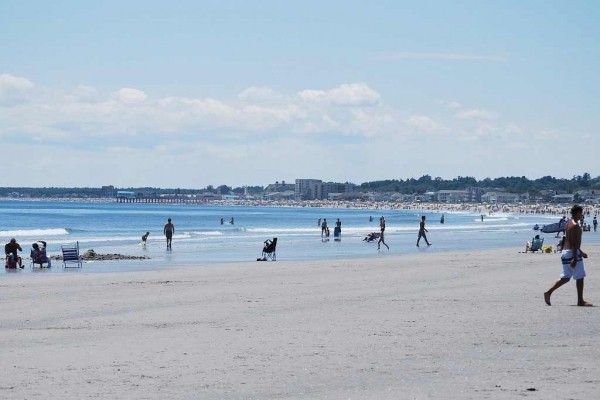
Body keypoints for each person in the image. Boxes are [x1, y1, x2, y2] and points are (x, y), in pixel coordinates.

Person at [544, 205, 592, 306]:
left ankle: (548, 292)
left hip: (565, 252)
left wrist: (581, 252)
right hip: (572, 252)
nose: (582, 214)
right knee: (580, 276)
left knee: (566, 277)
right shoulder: (575, 226)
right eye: (580, 213)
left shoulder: (568, 223)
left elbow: (567, 239)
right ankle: (580, 301)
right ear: (576, 213)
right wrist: (575, 257)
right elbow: (575, 242)